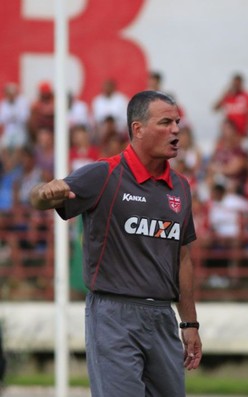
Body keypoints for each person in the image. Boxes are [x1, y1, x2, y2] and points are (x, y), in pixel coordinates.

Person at [30, 90, 202, 397]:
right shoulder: (104, 174)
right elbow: (40, 199)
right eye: (166, 122)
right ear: (138, 129)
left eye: (177, 122)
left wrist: (190, 323)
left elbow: (183, 258)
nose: (176, 130)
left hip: (163, 317)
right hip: (113, 315)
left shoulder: (180, 188)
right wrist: (44, 192)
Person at [213, 73, 248, 137]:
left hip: (241, 132)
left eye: (238, 83)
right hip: (228, 131)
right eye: (234, 83)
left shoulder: (247, 97)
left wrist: (247, 130)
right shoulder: (227, 96)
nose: (236, 85)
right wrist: (223, 95)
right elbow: (215, 109)